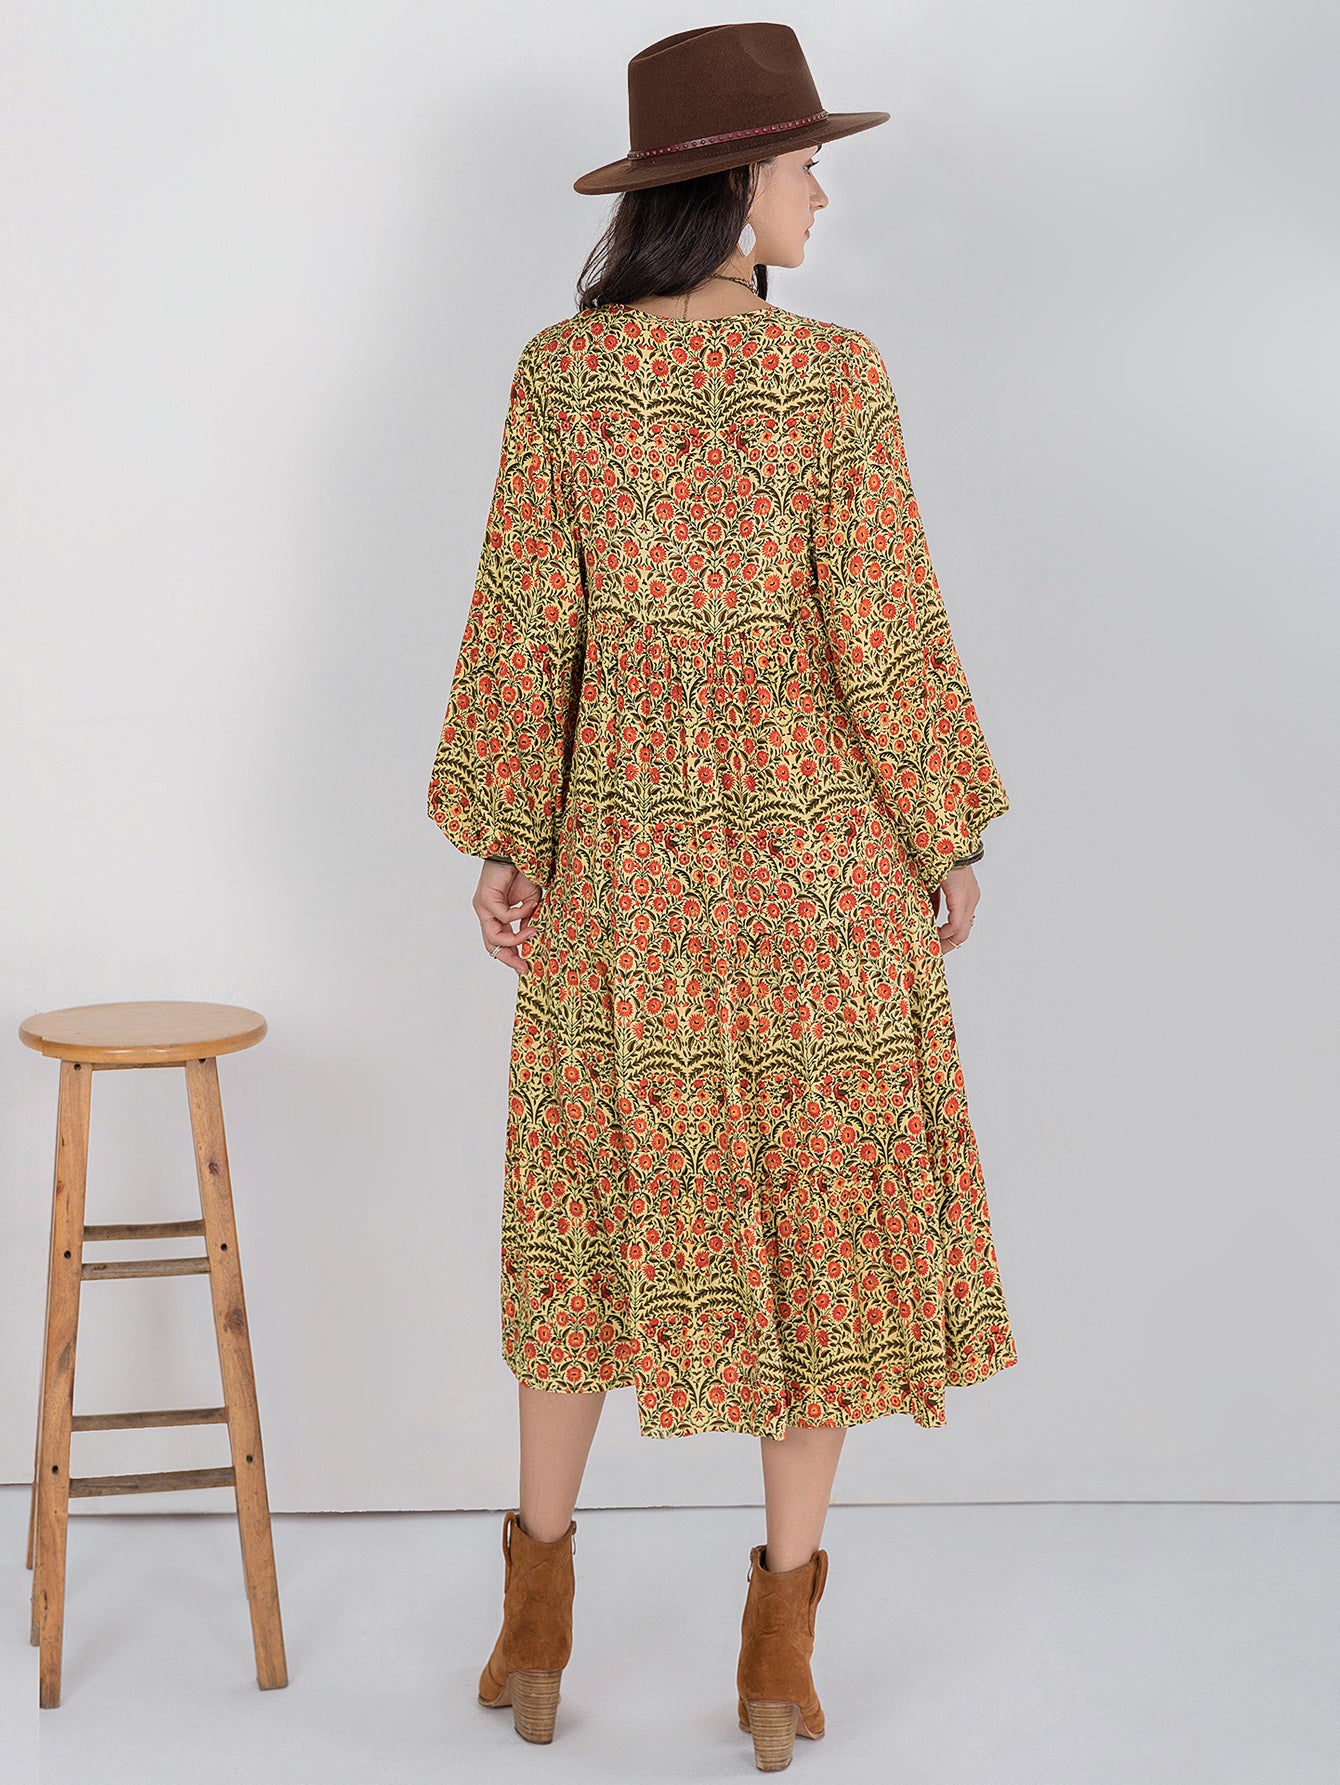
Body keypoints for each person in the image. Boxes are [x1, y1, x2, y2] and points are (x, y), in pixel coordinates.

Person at [426, 21, 1018, 1770]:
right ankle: (778, 1655)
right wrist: (948, 832)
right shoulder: (833, 380)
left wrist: (507, 834)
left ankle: (535, 1628)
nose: (822, 193)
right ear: (737, 186)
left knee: (587, 1230)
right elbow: (885, 631)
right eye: (807, 165)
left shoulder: (562, 379)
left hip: (627, 877)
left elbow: (526, 629)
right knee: (825, 1248)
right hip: (820, 877)